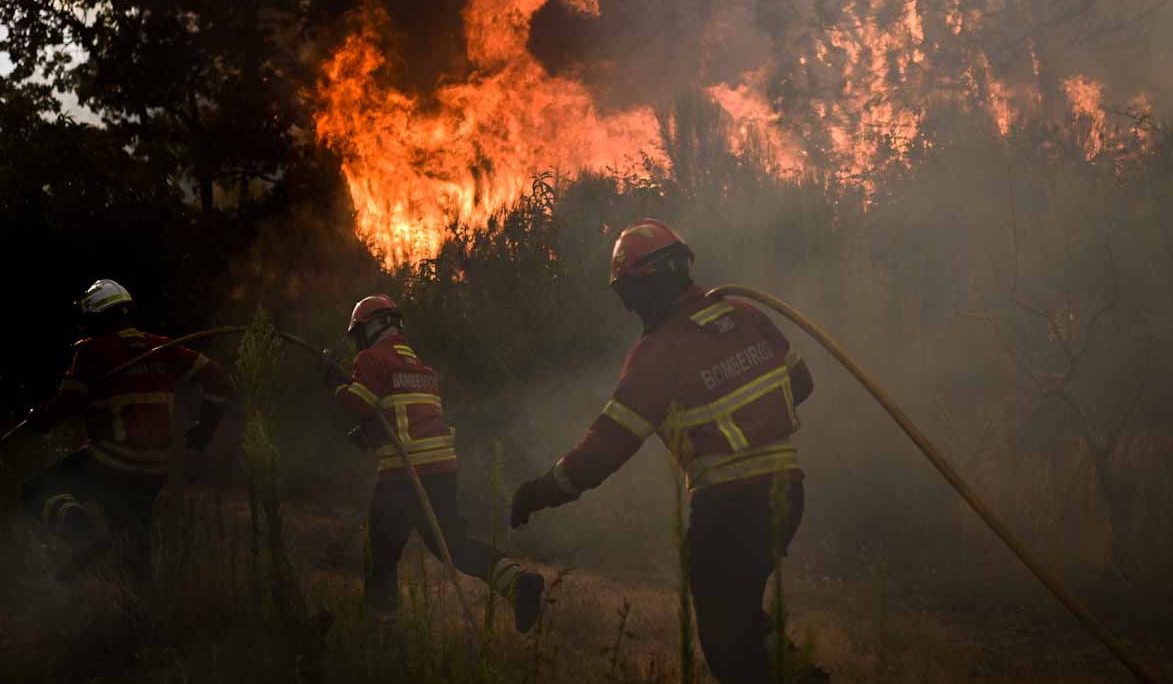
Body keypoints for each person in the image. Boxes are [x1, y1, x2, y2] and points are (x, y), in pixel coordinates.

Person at [510, 220, 821, 683]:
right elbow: (802, 383)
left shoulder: (659, 352)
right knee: (740, 616)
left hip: (730, 509)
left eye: (628, 296)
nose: (631, 308)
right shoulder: (745, 314)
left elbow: (606, 446)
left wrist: (540, 491)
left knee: (727, 643)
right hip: (788, 493)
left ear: (646, 286)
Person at [331, 294, 545, 632]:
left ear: (373, 328)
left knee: (380, 559)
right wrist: (369, 435)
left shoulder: (373, 359)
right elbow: (403, 420)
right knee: (452, 545)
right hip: (442, 472)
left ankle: (381, 633)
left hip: (402, 478)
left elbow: (359, 403)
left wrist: (335, 383)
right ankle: (518, 583)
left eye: (358, 334)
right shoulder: (421, 368)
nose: (358, 344)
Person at [19, 278, 228, 580]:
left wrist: (37, 420)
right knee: (132, 539)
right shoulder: (162, 348)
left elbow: (65, 404)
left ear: (95, 318)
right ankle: (139, 614)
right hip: (157, 468)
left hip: (111, 463)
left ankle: (82, 533)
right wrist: (205, 427)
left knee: (36, 491)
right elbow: (220, 380)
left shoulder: (93, 352)